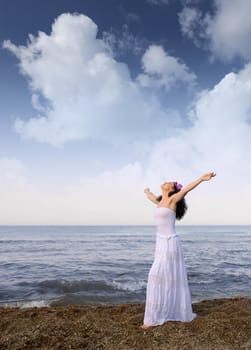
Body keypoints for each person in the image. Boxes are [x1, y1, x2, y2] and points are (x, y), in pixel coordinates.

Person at [141, 172, 216, 329]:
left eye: (169, 182)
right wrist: (147, 192)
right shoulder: (160, 201)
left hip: (171, 244)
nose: (165, 182)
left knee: (158, 275)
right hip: (161, 244)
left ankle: (153, 319)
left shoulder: (174, 199)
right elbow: (152, 198)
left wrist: (202, 178)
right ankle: (161, 312)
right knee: (161, 277)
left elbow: (187, 189)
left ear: (172, 190)